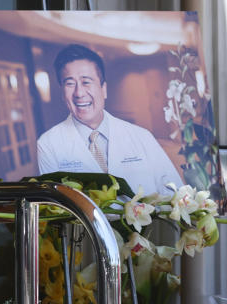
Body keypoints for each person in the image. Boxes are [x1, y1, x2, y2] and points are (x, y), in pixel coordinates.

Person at [37, 44, 183, 196]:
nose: (79, 93)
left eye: (86, 81)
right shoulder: (49, 144)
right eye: (70, 84)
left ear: (103, 89)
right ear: (62, 93)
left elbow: (175, 193)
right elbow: (55, 205)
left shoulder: (142, 136)